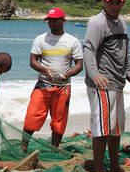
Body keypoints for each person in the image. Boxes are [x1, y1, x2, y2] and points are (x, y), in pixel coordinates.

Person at [82, 0, 130, 172]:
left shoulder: (123, 23)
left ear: (123, 3)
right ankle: (100, 169)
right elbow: (88, 48)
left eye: (118, 2)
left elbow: (125, 55)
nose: (115, 6)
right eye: (111, 2)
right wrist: (95, 74)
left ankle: (115, 165)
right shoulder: (97, 22)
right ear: (104, 2)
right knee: (101, 128)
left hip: (118, 83)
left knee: (116, 128)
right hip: (102, 84)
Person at [21, 9, 83, 153]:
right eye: (49, 20)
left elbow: (79, 65)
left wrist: (67, 74)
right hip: (43, 84)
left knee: (59, 121)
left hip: (63, 86)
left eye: (55, 20)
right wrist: (44, 70)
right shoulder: (40, 39)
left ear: (63, 21)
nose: (52, 23)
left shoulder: (73, 41)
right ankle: (23, 148)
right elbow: (33, 61)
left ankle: (54, 150)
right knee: (32, 117)